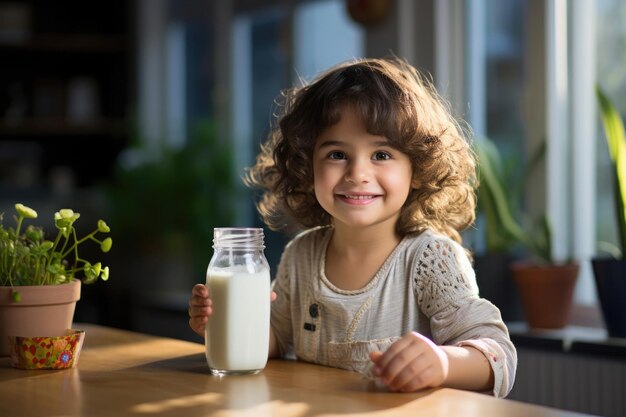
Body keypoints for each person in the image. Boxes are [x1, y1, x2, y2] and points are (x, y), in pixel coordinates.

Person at [188, 57, 517, 397]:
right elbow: (273, 338)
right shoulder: (301, 254)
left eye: (382, 155)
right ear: (307, 166)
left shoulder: (431, 259)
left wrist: (443, 362)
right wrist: (223, 322)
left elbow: (499, 355)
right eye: (336, 155)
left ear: (416, 169)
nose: (358, 174)